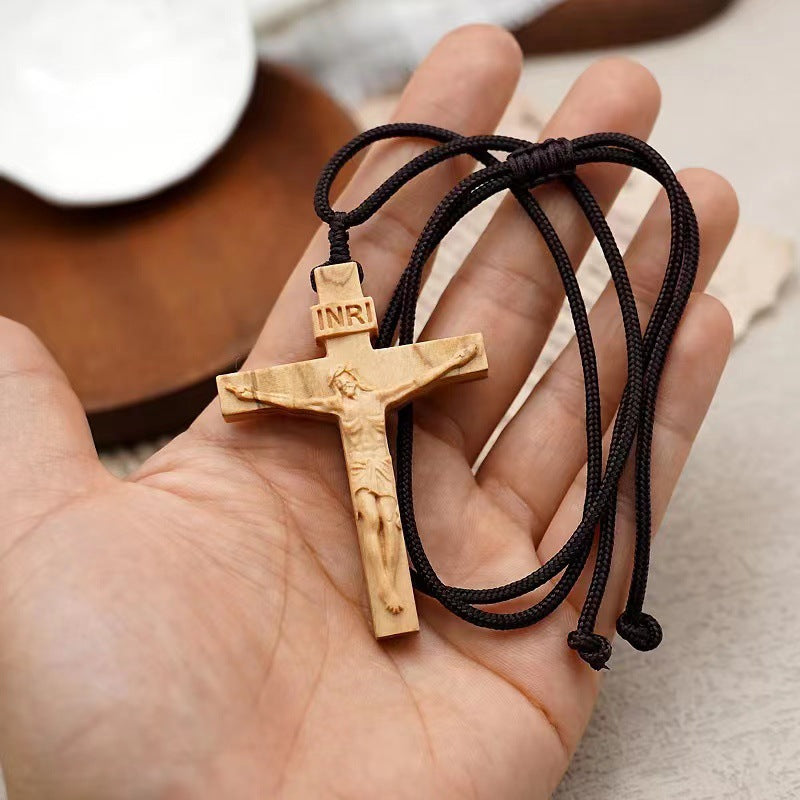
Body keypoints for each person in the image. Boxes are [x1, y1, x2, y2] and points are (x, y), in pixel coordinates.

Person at [0, 25, 737, 799]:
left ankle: (396, 599)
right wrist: (246, 393)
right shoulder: (319, 377)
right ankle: (392, 599)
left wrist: (450, 355)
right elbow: (251, 391)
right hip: (363, 485)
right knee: (382, 514)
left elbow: (452, 356)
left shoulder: (381, 366)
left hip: (385, 468)